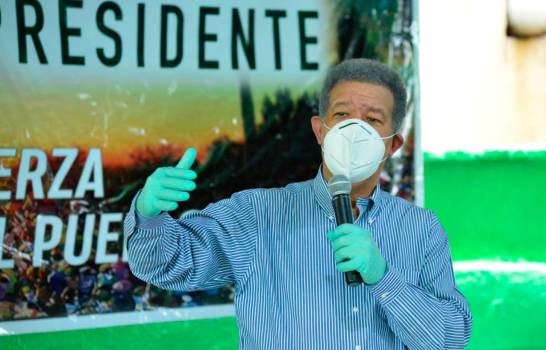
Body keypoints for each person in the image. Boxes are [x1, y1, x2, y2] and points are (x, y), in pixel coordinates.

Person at [124, 58, 472, 349]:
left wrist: (384, 278)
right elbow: (166, 265)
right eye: (342, 116)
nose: (354, 130)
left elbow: (449, 339)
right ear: (320, 131)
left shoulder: (421, 229)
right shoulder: (258, 216)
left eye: (372, 120)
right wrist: (149, 213)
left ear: (392, 144)